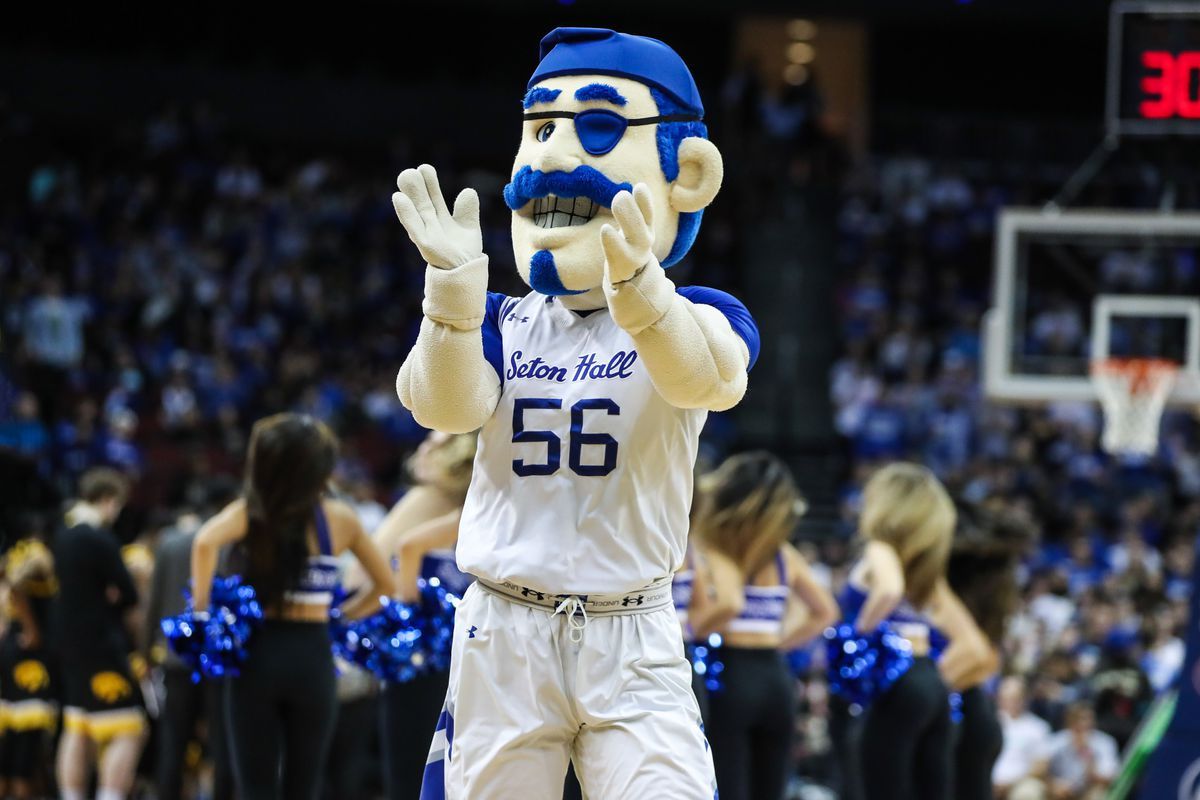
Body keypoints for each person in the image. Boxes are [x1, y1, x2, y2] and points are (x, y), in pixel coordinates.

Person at [392, 27, 756, 799]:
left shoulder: (702, 311)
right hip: (504, 628)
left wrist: (644, 295)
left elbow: (707, 380)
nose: (553, 156)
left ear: (685, 172)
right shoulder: (498, 319)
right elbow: (440, 406)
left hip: (633, 633)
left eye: (594, 127)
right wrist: (451, 295)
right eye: (540, 127)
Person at [190, 413, 395, 800]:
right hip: (312, 655)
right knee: (304, 786)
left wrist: (202, 613)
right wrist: (341, 616)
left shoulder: (250, 512)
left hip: (257, 657)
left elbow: (203, 542)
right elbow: (385, 585)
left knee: (256, 786)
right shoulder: (340, 518)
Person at [831, 462, 990, 800]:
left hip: (896, 679)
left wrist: (860, 634)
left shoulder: (880, 548)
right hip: (931, 682)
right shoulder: (925, 568)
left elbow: (888, 589)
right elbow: (973, 644)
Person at [694, 452, 838, 800]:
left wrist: (692, 629)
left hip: (732, 676)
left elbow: (731, 603)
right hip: (776, 677)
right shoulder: (784, 554)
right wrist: (780, 642)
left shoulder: (719, 548)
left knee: (729, 786)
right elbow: (826, 612)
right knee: (771, 789)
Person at [368, 430, 477, 800]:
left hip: (427, 655)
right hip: (472, 650)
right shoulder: (489, 505)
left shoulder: (431, 500)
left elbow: (400, 550)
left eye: (434, 442)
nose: (423, 448)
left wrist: (405, 613)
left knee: (412, 770)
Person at [52, 467, 144, 800]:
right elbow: (130, 593)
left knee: (77, 723)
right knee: (130, 726)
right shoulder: (99, 538)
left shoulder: (61, 533)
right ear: (108, 500)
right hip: (99, 641)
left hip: (65, 639)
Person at [0, 518, 58, 799]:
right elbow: (16, 585)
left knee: (19, 743)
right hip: (28, 654)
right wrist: (32, 628)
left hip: (16, 648)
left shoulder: (15, 554)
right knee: (24, 741)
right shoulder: (34, 553)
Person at [1036, 702, 1118, 800]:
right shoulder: (1057, 741)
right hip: (1058, 790)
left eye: (1088, 719)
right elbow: (1038, 770)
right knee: (1032, 788)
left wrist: (1087, 755)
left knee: (1099, 794)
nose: (1084, 724)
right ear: (1069, 722)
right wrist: (1053, 784)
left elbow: (1108, 779)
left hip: (1088, 790)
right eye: (1079, 719)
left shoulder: (1105, 742)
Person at [992, 676, 1052, 800]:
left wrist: (1010, 784)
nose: (1011, 702)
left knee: (1028, 793)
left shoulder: (1038, 727)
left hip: (1021, 782)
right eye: (1006, 698)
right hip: (990, 780)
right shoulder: (990, 723)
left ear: (1025, 699)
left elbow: (1041, 766)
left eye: (1015, 698)